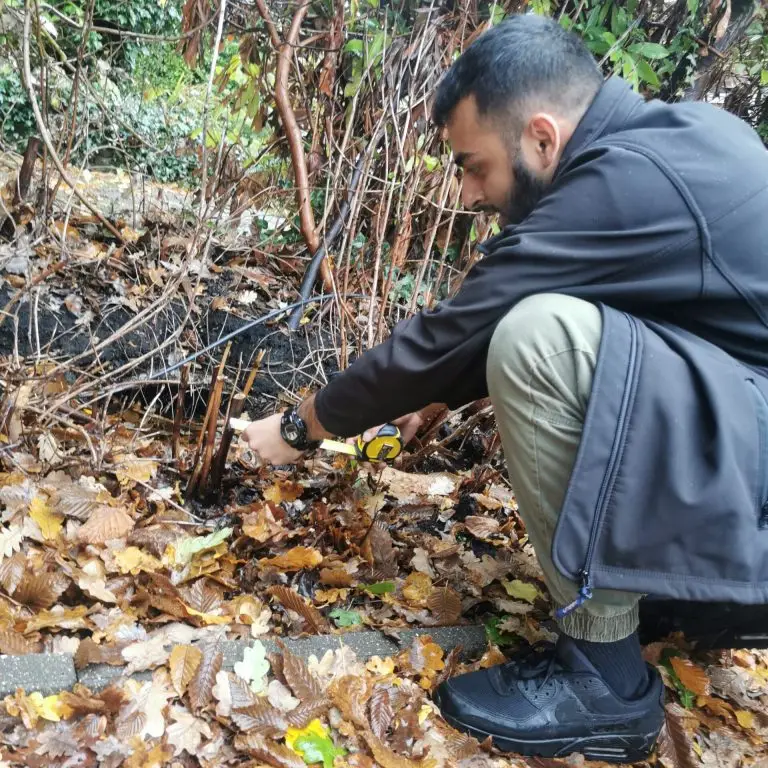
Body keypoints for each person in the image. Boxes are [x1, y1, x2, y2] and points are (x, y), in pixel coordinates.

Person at [240, 13, 768, 762]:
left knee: (537, 338)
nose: (466, 193)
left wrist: (301, 427)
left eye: (474, 165)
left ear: (542, 138)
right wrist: (433, 394)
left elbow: (466, 326)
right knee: (545, 325)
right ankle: (688, 599)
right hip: (747, 438)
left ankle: (604, 680)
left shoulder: (628, 180)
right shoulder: (679, 142)